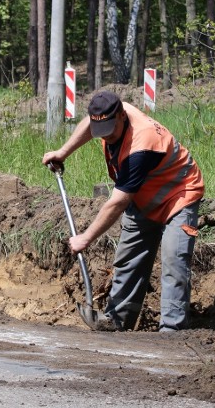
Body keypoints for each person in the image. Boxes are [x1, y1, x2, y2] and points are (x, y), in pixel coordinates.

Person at [42, 90, 204, 332]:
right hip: (145, 195)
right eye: (101, 132)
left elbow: (117, 203)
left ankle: (172, 331)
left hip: (179, 194)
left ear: (120, 116)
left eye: (111, 131)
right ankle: (117, 322)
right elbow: (90, 123)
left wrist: (85, 238)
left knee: (174, 261)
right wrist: (63, 152)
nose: (106, 137)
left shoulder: (143, 144)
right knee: (129, 259)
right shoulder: (109, 113)